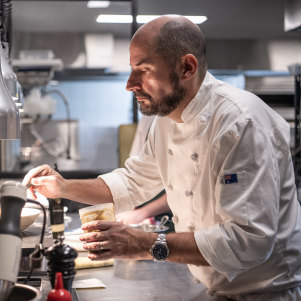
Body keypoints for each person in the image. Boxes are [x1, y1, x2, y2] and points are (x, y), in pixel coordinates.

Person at [23, 15, 301, 300]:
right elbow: (133, 181)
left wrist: (144, 244)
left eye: (143, 69)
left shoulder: (240, 123)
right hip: (212, 288)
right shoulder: (166, 121)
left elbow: (249, 241)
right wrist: (63, 187)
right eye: (132, 69)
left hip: (266, 293)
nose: (130, 84)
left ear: (187, 68)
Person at [116, 115, 171, 225]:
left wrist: (142, 213)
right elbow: (137, 173)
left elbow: (185, 188)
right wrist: (131, 208)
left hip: (172, 216)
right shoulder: (147, 118)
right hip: (145, 215)